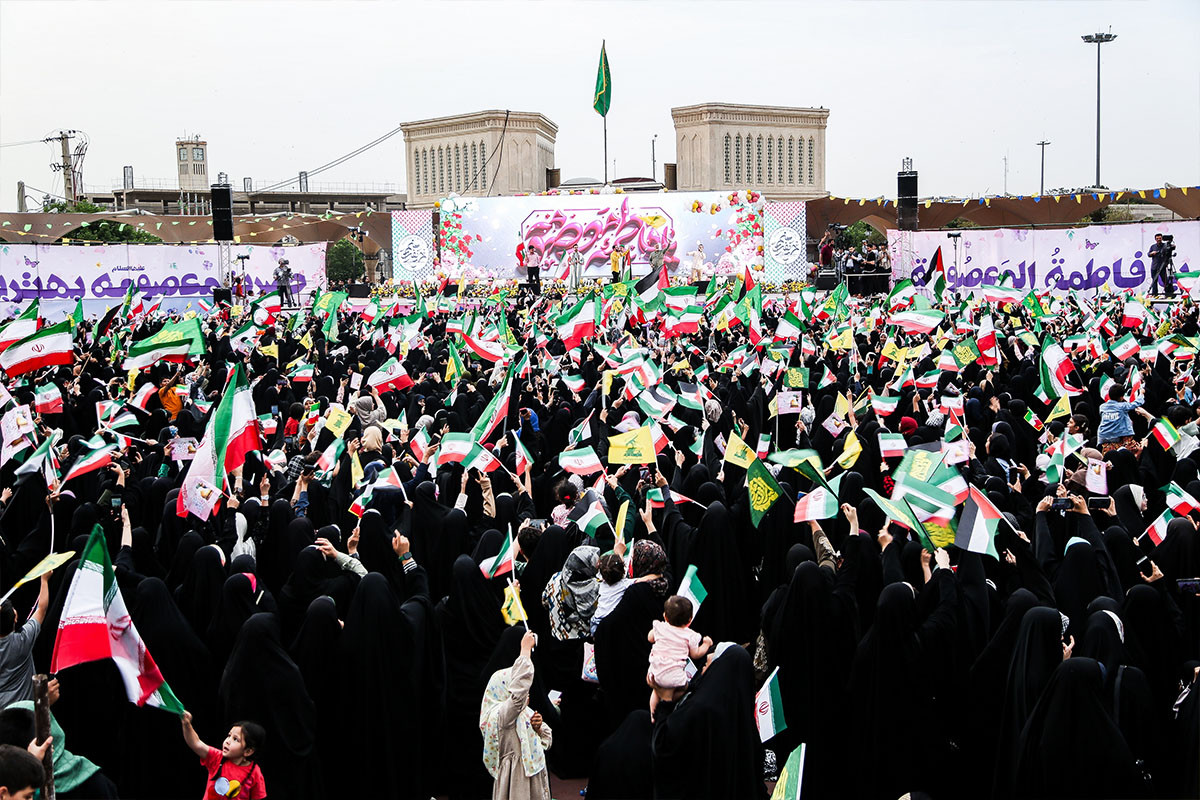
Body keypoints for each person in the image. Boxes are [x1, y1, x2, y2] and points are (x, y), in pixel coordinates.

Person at [480, 631, 553, 800]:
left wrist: (538, 728)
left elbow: (546, 740)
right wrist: (525, 652)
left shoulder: (525, 712)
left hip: (534, 780)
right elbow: (518, 695)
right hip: (517, 785)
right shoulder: (502, 716)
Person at [646, 595, 712, 719]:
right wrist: (706, 644)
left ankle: (653, 715)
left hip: (655, 672)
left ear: (665, 616)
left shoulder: (660, 627)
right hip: (674, 677)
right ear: (690, 620)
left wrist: (658, 630)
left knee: (655, 692)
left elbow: (650, 638)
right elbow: (695, 654)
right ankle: (668, 709)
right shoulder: (690, 636)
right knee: (684, 689)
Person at [180, 711, 267, 800]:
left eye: (235, 739)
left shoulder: (254, 772)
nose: (228, 741)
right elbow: (196, 743)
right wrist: (187, 724)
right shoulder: (216, 757)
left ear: (248, 751)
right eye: (229, 735)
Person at [0, 573, 50, 709]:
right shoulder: (23, 640)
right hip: (24, 710)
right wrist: (44, 580)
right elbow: (42, 608)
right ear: (15, 617)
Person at [1097, 382, 1155, 453]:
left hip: (1104, 437)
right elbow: (1137, 403)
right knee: (1136, 451)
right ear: (1121, 397)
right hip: (1120, 437)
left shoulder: (1102, 407)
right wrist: (1141, 394)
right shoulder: (1122, 406)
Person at [1148, 233, 1173, 297]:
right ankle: (1154, 294)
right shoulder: (1153, 246)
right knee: (1154, 281)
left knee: (1165, 281)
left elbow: (1171, 249)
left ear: (1162, 239)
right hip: (1154, 266)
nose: (1158, 239)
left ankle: (1168, 294)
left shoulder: (1165, 245)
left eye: (1160, 238)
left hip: (1162, 266)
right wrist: (1152, 253)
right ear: (1155, 239)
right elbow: (1148, 254)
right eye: (1157, 238)